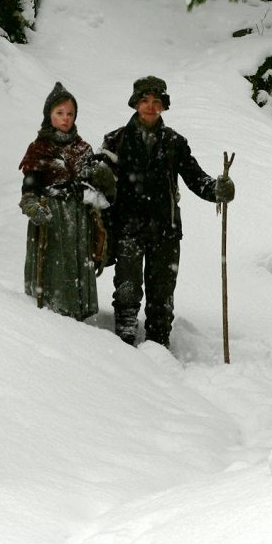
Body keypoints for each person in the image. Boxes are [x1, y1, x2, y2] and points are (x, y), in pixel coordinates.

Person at [101, 75, 235, 349]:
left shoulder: (175, 142)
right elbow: (97, 182)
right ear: (135, 104)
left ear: (164, 106)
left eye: (156, 102)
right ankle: (122, 347)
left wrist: (218, 190)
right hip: (128, 228)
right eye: (145, 101)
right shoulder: (116, 140)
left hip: (166, 230)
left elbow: (196, 179)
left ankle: (159, 346)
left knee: (161, 296)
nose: (150, 107)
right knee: (127, 291)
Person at [19, 81, 116, 320]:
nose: (65, 118)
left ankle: (79, 319)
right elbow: (28, 191)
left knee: (76, 269)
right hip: (51, 220)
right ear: (48, 114)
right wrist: (33, 208)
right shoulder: (39, 149)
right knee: (55, 272)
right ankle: (51, 319)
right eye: (59, 113)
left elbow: (101, 190)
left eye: (70, 113)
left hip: (79, 221)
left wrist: (100, 178)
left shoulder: (83, 148)